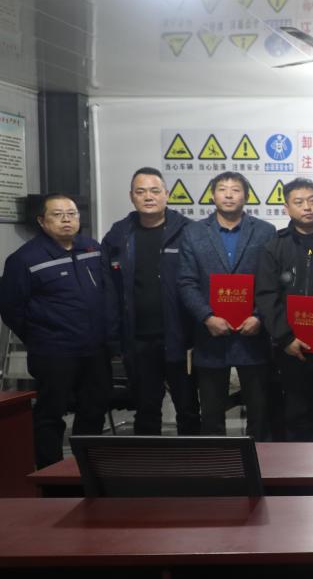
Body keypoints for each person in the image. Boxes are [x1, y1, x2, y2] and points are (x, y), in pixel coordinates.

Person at [0, 194, 116, 468]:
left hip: (94, 349)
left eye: (72, 214)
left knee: (94, 409)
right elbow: (10, 307)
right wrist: (39, 335)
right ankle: (50, 474)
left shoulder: (92, 248)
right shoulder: (25, 259)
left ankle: (87, 470)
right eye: (58, 214)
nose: (66, 220)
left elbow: (108, 292)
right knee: (50, 414)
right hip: (53, 352)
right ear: (42, 221)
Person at [101, 167, 199, 436]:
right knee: (146, 409)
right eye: (141, 191)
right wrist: (113, 337)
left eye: (155, 191)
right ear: (131, 196)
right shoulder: (118, 235)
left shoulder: (189, 231)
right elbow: (109, 290)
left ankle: (194, 459)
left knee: (188, 408)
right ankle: (148, 460)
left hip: (181, 338)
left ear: (167, 194)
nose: (148, 197)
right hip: (138, 340)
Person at [178, 171, 275, 438]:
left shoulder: (265, 231)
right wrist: (207, 317)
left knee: (260, 412)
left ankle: (261, 459)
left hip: (253, 333)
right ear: (212, 195)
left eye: (236, 189)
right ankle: (217, 461)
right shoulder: (194, 232)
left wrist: (259, 316)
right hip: (210, 334)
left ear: (246, 196)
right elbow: (186, 282)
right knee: (211, 414)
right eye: (222, 189)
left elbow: (272, 281)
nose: (229, 195)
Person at [256, 178, 313, 441]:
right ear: (287, 208)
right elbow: (266, 295)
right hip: (292, 349)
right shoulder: (275, 246)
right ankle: (300, 468)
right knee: (298, 416)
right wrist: (285, 338)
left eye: (312, 200)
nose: (307, 207)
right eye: (298, 202)